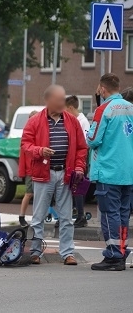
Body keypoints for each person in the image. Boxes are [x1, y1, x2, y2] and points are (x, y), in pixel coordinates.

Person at [21, 85, 88, 266]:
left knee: (66, 216)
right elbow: (25, 144)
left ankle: (67, 253)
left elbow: (82, 147)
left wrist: (79, 167)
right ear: (48, 100)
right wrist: (40, 151)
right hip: (43, 173)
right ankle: (35, 252)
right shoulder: (35, 121)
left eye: (63, 99)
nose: (62, 103)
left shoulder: (72, 121)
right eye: (58, 100)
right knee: (39, 215)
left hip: (65, 174)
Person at [87, 74, 133, 271]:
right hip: (128, 171)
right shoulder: (131, 108)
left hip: (108, 170)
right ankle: (122, 250)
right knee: (123, 214)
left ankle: (113, 254)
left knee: (108, 214)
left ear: (102, 89)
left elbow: (93, 139)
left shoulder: (103, 109)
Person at [65, 95, 91, 228]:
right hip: (73, 159)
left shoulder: (82, 121)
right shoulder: (77, 120)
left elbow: (84, 143)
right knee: (72, 189)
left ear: (70, 107)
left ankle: (81, 216)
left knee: (77, 188)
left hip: (78, 160)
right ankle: (73, 215)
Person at [17, 110, 38, 227]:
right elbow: (24, 154)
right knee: (29, 193)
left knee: (40, 194)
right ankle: (21, 216)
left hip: (39, 168)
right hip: (31, 169)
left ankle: (37, 217)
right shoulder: (27, 134)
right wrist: (23, 171)